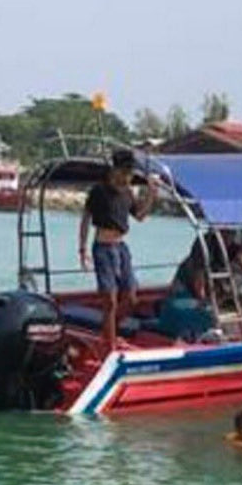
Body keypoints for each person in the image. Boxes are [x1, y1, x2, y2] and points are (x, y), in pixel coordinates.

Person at [79, 149, 158, 352]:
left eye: (130, 173)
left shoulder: (127, 192)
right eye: (124, 172)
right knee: (110, 300)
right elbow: (86, 219)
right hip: (103, 247)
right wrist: (82, 249)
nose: (127, 177)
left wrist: (151, 194)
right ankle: (110, 345)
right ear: (114, 170)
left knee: (131, 297)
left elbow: (140, 216)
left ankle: (108, 332)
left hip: (121, 247)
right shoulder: (99, 190)